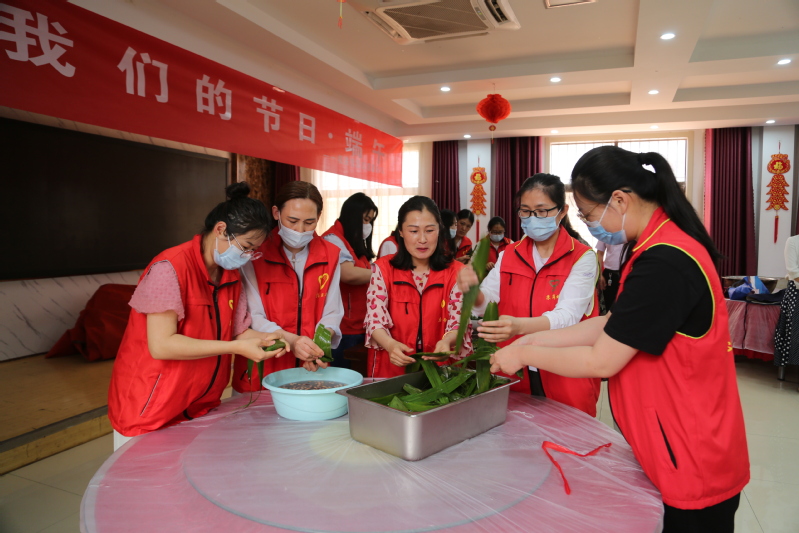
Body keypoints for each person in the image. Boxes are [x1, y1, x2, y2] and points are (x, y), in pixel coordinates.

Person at [490, 146, 749, 530]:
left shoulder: (665, 260)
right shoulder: (652, 245)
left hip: (690, 450)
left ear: (620, 200)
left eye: (587, 214)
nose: (588, 224)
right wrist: (528, 344)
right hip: (674, 440)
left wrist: (524, 354)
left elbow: (602, 359)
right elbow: (611, 323)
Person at [108, 182, 288, 449]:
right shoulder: (169, 267)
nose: (248, 256)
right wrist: (235, 347)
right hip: (151, 403)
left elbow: (237, 331)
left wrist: (275, 339)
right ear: (220, 229)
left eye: (254, 250)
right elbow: (162, 345)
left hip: (199, 402)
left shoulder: (230, 275)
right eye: (246, 246)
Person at [457, 173, 600, 415]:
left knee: (566, 434)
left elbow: (568, 317)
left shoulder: (582, 257)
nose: (532, 218)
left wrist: (518, 326)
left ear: (562, 212)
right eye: (525, 211)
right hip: (514, 369)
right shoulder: (509, 254)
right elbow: (486, 303)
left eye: (541, 211)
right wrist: (474, 293)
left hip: (563, 370)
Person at [233, 181, 343, 393]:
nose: (300, 230)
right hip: (263, 364)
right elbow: (252, 316)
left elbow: (332, 311)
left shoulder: (330, 255)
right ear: (276, 213)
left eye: (309, 222)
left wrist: (317, 346)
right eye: (292, 221)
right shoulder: (254, 253)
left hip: (309, 368)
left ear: (319, 217)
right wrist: (292, 341)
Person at [365, 196, 471, 377]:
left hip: (440, 370)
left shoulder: (457, 272)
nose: (422, 239)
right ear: (401, 231)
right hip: (391, 366)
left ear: (439, 230)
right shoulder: (383, 269)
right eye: (413, 231)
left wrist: (447, 341)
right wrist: (390, 345)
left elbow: (459, 320)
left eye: (430, 230)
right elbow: (375, 319)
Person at [321, 193, 378, 368]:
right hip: (344, 326)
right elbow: (348, 274)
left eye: (370, 221)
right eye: (365, 219)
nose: (368, 226)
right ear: (353, 216)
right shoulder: (333, 239)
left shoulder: (352, 242)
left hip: (360, 323)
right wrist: (384, 274)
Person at [595, 241, 625, 312]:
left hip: (627, 272)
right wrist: (600, 274)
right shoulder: (604, 234)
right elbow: (600, 253)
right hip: (609, 274)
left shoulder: (631, 234)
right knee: (609, 303)